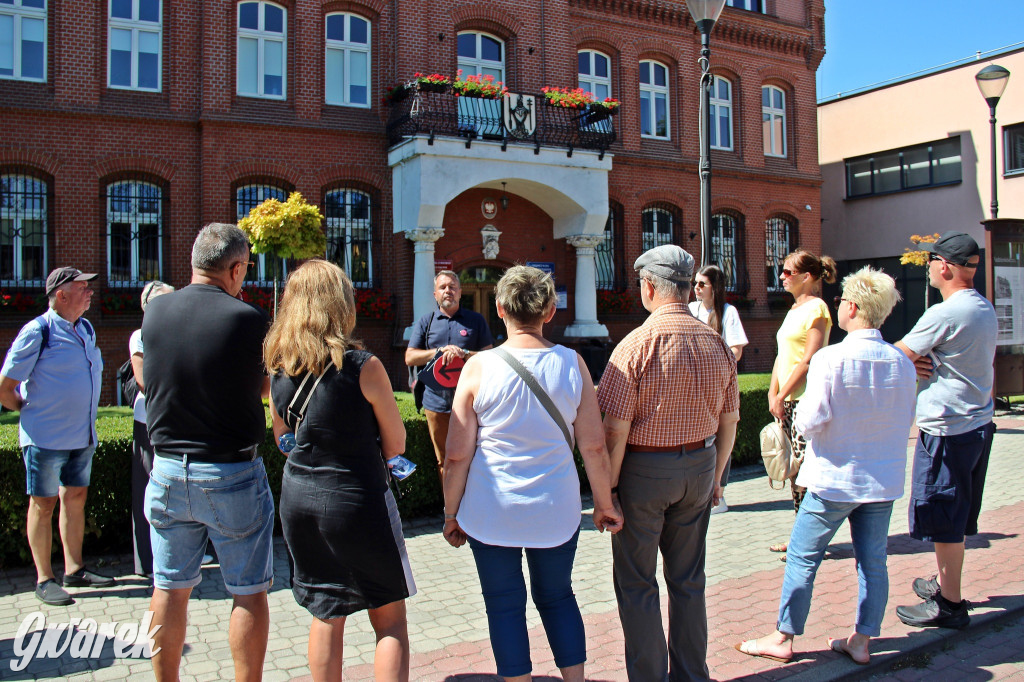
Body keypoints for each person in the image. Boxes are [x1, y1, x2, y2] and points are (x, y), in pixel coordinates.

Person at [443, 265, 623, 682]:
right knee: (558, 596)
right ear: (550, 309)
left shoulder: (478, 367)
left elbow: (456, 457)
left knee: (504, 604)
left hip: (491, 510)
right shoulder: (572, 363)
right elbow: (594, 447)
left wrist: (452, 513)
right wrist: (603, 504)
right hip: (555, 510)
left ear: (500, 309)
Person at [735, 267, 917, 665]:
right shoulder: (900, 362)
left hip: (834, 477)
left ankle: (783, 637)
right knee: (873, 562)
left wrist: (801, 424)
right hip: (881, 480)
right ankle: (862, 640)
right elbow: (905, 418)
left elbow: (810, 419)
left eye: (842, 302)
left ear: (852, 306)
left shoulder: (831, 359)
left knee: (803, 556)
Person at [266, 260, 415, 682]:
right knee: (388, 619)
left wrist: (312, 453)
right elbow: (397, 444)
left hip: (299, 501)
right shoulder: (363, 366)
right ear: (341, 304)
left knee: (326, 611)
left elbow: (282, 438)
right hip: (357, 501)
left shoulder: (279, 368)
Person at [598, 245, 740, 682]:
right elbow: (730, 419)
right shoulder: (715, 340)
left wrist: (611, 490)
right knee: (689, 580)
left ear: (648, 287)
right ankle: (692, 676)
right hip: (699, 464)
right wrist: (717, 478)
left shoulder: (635, 344)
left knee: (638, 584)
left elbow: (615, 430)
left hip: (644, 471)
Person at [142, 223, 273, 682]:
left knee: (168, 589)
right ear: (235, 268)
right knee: (248, 591)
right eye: (246, 268)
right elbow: (263, 386)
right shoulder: (247, 319)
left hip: (165, 471)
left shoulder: (154, 313)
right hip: (230, 472)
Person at [893, 231, 997, 629]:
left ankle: (949, 604)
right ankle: (943, 581)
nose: (930, 267)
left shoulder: (946, 312)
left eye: (933, 260)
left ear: (947, 267)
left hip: (948, 430)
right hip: (976, 424)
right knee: (957, 512)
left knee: (944, 515)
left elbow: (899, 354)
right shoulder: (981, 307)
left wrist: (911, 361)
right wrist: (919, 361)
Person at [0, 267, 113, 606]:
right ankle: (44, 578)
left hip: (82, 436)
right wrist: (30, 412)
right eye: (82, 287)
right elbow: (6, 387)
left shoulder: (87, 328)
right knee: (43, 503)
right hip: (45, 438)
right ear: (61, 295)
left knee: (75, 497)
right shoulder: (38, 331)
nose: (89, 291)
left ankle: (74, 569)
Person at [767, 249, 836, 555]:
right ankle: (801, 536)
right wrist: (773, 392)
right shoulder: (795, 310)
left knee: (807, 471)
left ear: (807, 277)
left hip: (805, 401)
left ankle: (809, 539)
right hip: (789, 401)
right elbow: (783, 356)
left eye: (788, 272)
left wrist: (783, 394)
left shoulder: (817, 309)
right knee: (794, 471)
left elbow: (809, 359)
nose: (782, 276)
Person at [405, 270, 493, 483]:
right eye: (443, 287)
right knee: (444, 460)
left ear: (460, 292)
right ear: (435, 294)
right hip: (436, 403)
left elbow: (491, 358)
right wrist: (439, 351)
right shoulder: (426, 322)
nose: (448, 291)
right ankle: (450, 511)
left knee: (475, 457)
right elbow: (410, 357)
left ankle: (472, 508)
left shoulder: (476, 321)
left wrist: (465, 355)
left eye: (452, 287)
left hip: (471, 403)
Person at [689, 264, 748, 514]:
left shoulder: (727, 312)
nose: (696, 288)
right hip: (693, 384)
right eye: (695, 283)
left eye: (702, 284)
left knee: (723, 435)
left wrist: (718, 368)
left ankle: (719, 493)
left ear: (715, 287)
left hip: (719, 384)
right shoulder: (691, 309)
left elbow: (736, 349)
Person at [127, 280, 175, 577]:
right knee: (148, 491)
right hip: (150, 420)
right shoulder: (140, 336)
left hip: (174, 418)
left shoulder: (178, 330)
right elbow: (143, 378)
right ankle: (146, 561)